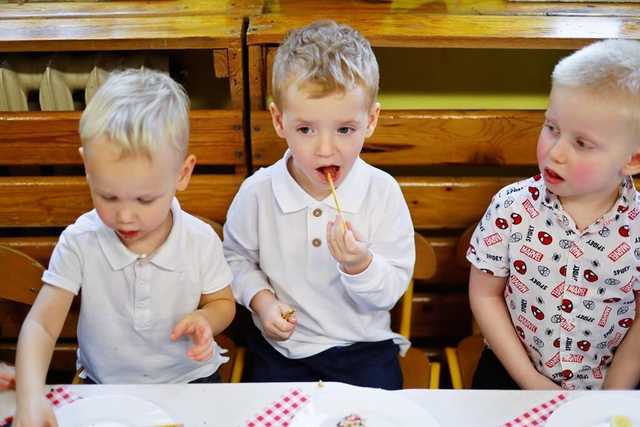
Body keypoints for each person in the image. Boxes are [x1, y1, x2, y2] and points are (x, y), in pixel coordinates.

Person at [14, 69, 235, 424]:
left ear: (182, 173)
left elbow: (222, 302)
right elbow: (41, 324)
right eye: (109, 196)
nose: (126, 217)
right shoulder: (80, 241)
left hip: (190, 382)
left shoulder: (198, 240)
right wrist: (28, 396)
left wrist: (206, 319)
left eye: (145, 199)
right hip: (102, 387)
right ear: (87, 166)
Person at [223, 20, 414, 390]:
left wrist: (360, 265)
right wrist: (261, 302)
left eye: (344, 129)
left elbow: (390, 289)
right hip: (282, 350)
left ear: (370, 120)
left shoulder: (382, 192)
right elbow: (235, 259)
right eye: (306, 129)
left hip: (365, 349)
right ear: (279, 120)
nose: (325, 149)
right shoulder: (258, 193)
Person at [467, 39, 640, 390]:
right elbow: (484, 295)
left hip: (609, 381)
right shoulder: (512, 207)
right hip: (511, 373)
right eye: (552, 128)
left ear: (632, 160)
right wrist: (531, 380)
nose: (555, 153)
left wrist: (611, 396)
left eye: (582, 143)